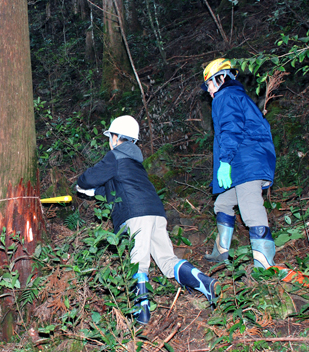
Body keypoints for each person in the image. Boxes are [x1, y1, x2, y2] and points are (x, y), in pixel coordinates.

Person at [76, 115, 218, 324]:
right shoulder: (135, 162)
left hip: (136, 215)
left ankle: (141, 316)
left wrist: (81, 184)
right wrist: (92, 192)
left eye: (111, 136)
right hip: (155, 213)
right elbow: (117, 189)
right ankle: (204, 282)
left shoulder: (114, 156)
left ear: (116, 138)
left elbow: (88, 177)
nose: (109, 141)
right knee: (167, 261)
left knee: (138, 263)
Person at [201, 58, 277, 269]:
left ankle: (265, 266)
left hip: (247, 163)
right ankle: (221, 252)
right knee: (223, 203)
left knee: (251, 210)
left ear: (221, 78)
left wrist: (225, 162)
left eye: (209, 84)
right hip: (247, 163)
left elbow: (231, 130)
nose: (208, 90)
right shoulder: (237, 96)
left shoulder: (225, 96)